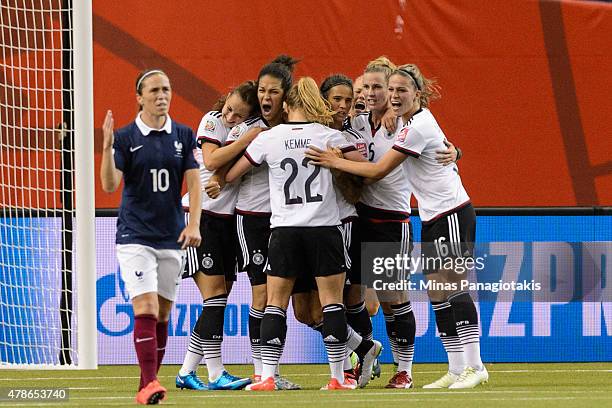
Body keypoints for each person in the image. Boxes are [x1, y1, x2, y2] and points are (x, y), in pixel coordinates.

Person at [305, 63, 488, 389]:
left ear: (406, 93)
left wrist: (455, 150)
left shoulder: (405, 123)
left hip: (396, 219)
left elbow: (379, 170)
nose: (369, 94)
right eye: (366, 89)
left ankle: (411, 369)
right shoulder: (357, 122)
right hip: (360, 217)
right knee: (359, 295)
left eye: (381, 88)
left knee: (399, 295)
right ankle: (448, 367)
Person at [227, 77, 378, 391]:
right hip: (325, 229)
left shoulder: (270, 138)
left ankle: (267, 376)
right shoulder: (330, 136)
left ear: (286, 106)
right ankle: (338, 378)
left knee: (275, 304)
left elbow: (231, 174)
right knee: (332, 303)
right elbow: (366, 170)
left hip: (284, 230)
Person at [100, 69, 202, 404]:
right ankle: (149, 383)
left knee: (162, 314)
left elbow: (194, 182)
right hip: (135, 235)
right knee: (145, 305)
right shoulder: (127, 137)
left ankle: (149, 384)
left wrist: (194, 224)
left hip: (172, 235)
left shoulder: (184, 135)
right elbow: (110, 185)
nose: (162, 95)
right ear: (139, 97)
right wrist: (106, 149)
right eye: (154, 90)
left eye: (166, 89)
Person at [175, 81, 261, 391]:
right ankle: (214, 373)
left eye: (239, 116)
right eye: (230, 109)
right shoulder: (211, 119)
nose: (231, 117)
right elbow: (210, 161)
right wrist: (249, 138)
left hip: (226, 223)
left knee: (219, 298)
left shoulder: (249, 129)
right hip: (200, 217)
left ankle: (187, 371)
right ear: (223, 102)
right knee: (214, 298)